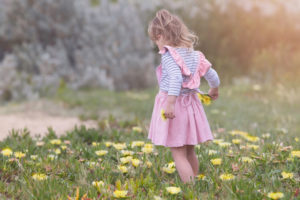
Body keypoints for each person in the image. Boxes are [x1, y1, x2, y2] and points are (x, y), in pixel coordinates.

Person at [147, 9, 220, 184]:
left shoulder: (169, 56)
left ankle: (190, 188)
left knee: (178, 153)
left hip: (177, 108)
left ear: (159, 36)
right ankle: (194, 180)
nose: (156, 44)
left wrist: (170, 103)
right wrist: (214, 89)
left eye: (155, 40)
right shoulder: (195, 55)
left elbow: (175, 78)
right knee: (189, 151)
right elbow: (212, 74)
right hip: (192, 106)